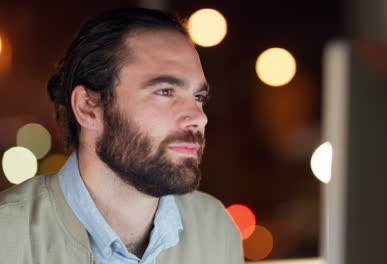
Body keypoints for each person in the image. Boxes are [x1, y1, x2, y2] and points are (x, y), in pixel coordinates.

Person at [0, 8, 243, 264]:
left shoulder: (215, 229)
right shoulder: (8, 238)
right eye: (165, 91)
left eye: (199, 97)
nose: (199, 117)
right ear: (88, 107)